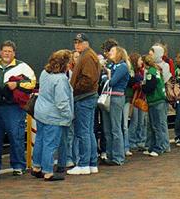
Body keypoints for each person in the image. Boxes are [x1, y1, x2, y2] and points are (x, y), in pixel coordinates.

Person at [0, 40, 36, 176]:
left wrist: (18, 84)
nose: (6, 53)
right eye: (4, 51)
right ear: (0, 52)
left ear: (14, 53)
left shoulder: (23, 66)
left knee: (16, 136)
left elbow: (32, 82)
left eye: (9, 51)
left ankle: (18, 165)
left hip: (13, 107)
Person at [31, 50, 74, 182]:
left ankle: (36, 167)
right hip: (53, 116)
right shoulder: (60, 79)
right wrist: (68, 116)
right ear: (64, 64)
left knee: (40, 140)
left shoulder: (45, 73)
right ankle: (48, 171)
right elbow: (61, 102)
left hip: (40, 112)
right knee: (50, 144)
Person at [68, 33, 101, 175]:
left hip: (84, 97)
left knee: (83, 132)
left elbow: (88, 79)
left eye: (80, 42)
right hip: (88, 97)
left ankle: (83, 164)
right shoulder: (89, 55)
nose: (77, 45)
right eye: (76, 42)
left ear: (86, 43)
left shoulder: (87, 57)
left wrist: (73, 88)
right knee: (88, 131)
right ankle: (92, 163)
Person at [101, 45, 130, 165]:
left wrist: (107, 75)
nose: (110, 53)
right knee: (107, 129)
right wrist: (107, 75)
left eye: (113, 51)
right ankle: (110, 155)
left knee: (115, 128)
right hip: (108, 97)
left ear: (119, 53)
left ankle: (118, 157)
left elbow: (112, 81)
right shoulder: (112, 66)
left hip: (116, 97)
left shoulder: (122, 66)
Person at [143, 54, 168, 156]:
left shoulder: (150, 72)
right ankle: (154, 147)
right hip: (158, 100)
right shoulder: (156, 70)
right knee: (157, 125)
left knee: (157, 125)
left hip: (155, 100)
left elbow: (150, 87)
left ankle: (159, 148)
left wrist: (142, 86)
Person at [126, 52, 148, 153]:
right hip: (135, 99)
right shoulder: (133, 73)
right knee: (135, 121)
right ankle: (132, 141)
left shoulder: (142, 72)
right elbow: (133, 84)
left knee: (142, 121)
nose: (141, 62)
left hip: (141, 99)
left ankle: (140, 141)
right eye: (139, 60)